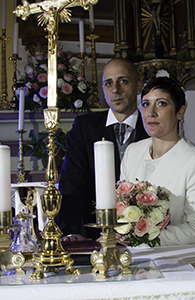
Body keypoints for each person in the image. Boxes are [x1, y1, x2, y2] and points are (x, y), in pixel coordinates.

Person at [120, 76, 195, 245]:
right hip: (132, 255)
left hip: (177, 257)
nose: (151, 113)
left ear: (180, 111)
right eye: (145, 104)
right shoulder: (132, 152)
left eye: (161, 103)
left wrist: (140, 237)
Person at [58, 58, 149, 240]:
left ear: (139, 86)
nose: (115, 89)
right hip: (93, 232)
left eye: (123, 81)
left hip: (146, 230)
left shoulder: (152, 127)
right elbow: (72, 182)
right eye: (108, 83)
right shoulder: (85, 127)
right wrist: (72, 231)